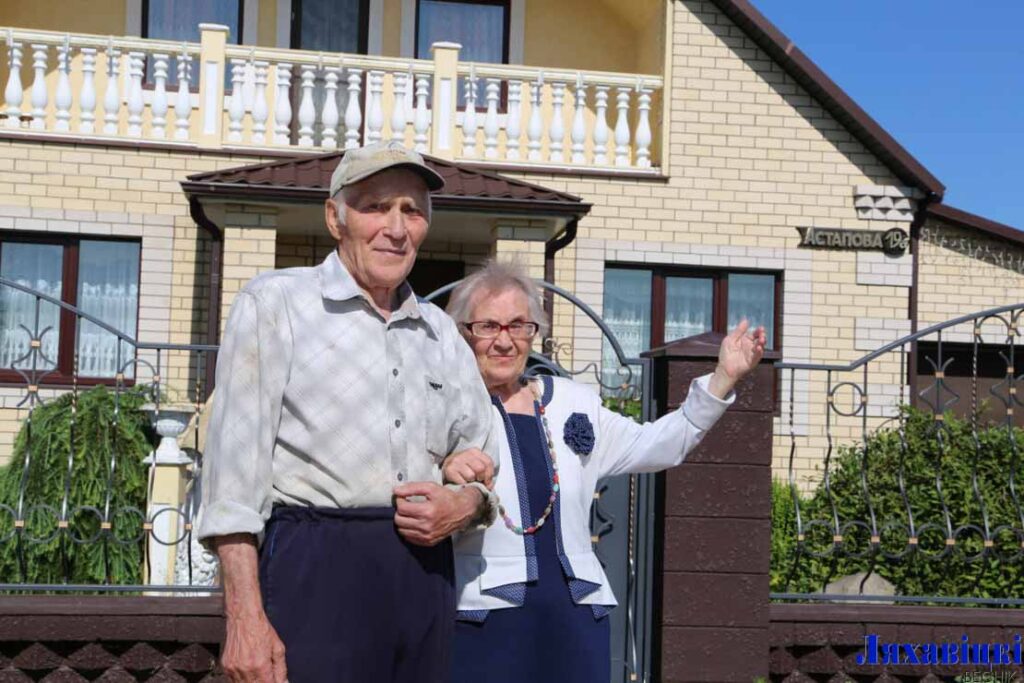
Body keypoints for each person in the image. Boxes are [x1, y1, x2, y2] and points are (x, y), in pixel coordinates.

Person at [198, 141, 499, 683]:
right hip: (313, 569)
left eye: (412, 211)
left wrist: (465, 501)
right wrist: (243, 618)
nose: (396, 228)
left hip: (424, 579)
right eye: (375, 207)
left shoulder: (440, 332)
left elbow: (482, 463)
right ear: (335, 218)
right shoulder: (276, 304)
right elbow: (232, 483)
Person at [441, 260, 766, 683]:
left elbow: (660, 444)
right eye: (489, 326)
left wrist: (722, 379)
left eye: (518, 325)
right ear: (464, 333)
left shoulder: (574, 402)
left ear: (534, 332)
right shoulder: (443, 408)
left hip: (577, 619)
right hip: (485, 622)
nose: (504, 340)